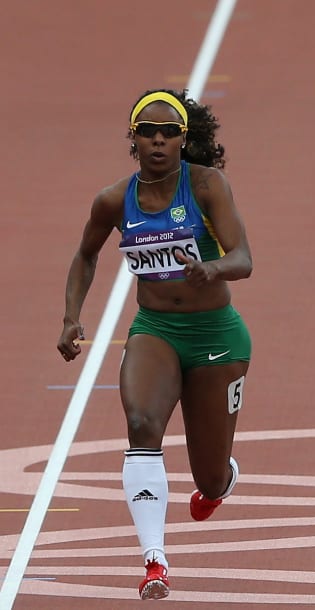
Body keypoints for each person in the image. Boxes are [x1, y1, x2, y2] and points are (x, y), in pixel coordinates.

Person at [57, 89, 253, 600]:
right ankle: (154, 560)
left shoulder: (207, 186)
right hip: (156, 331)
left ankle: (221, 480)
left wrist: (212, 267)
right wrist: (71, 317)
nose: (159, 141)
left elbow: (244, 257)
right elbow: (85, 256)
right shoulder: (114, 200)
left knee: (208, 479)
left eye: (169, 133)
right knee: (142, 423)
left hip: (215, 336)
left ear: (185, 139)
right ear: (134, 138)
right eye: (148, 131)